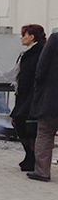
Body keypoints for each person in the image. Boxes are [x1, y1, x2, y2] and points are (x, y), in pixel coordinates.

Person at [8, 25, 46, 172]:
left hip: (32, 95)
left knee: (28, 125)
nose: (21, 38)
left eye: (24, 35)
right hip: (24, 95)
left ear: (32, 37)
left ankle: (32, 157)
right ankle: (29, 155)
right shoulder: (26, 53)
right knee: (19, 123)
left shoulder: (39, 52)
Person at [29, 30, 58, 182]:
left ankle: (42, 171)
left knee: (45, 134)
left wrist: (39, 90)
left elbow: (42, 67)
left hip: (52, 98)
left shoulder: (55, 39)